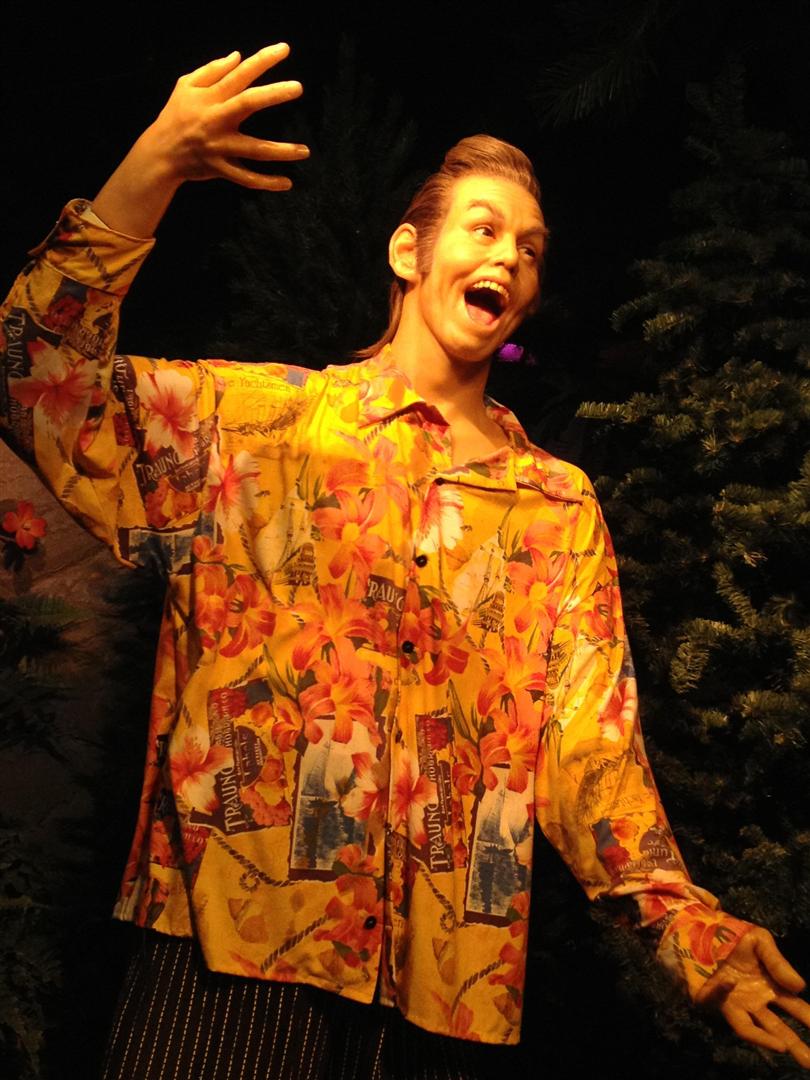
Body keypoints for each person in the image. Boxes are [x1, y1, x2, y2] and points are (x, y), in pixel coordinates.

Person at [2, 42, 809, 1079]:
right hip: (230, 962)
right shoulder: (255, 430)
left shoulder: (555, 509)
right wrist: (152, 165)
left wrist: (691, 938)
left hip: (442, 1000)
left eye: (531, 248)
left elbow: (591, 756)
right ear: (407, 253)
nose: (510, 257)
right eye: (485, 229)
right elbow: (41, 376)